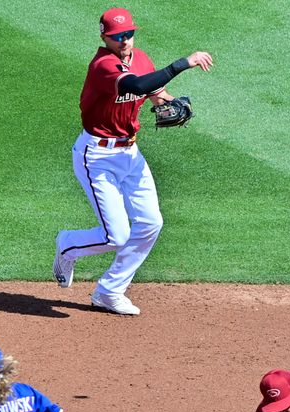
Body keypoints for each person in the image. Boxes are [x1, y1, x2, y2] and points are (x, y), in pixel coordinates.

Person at [53, 7, 213, 315]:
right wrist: (184, 62)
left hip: (130, 154)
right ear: (104, 37)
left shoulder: (140, 59)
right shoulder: (103, 65)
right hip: (96, 157)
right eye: (117, 36)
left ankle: (110, 291)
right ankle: (68, 244)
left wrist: (167, 103)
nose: (125, 40)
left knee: (152, 223)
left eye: (129, 34)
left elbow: (153, 91)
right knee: (116, 235)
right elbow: (136, 86)